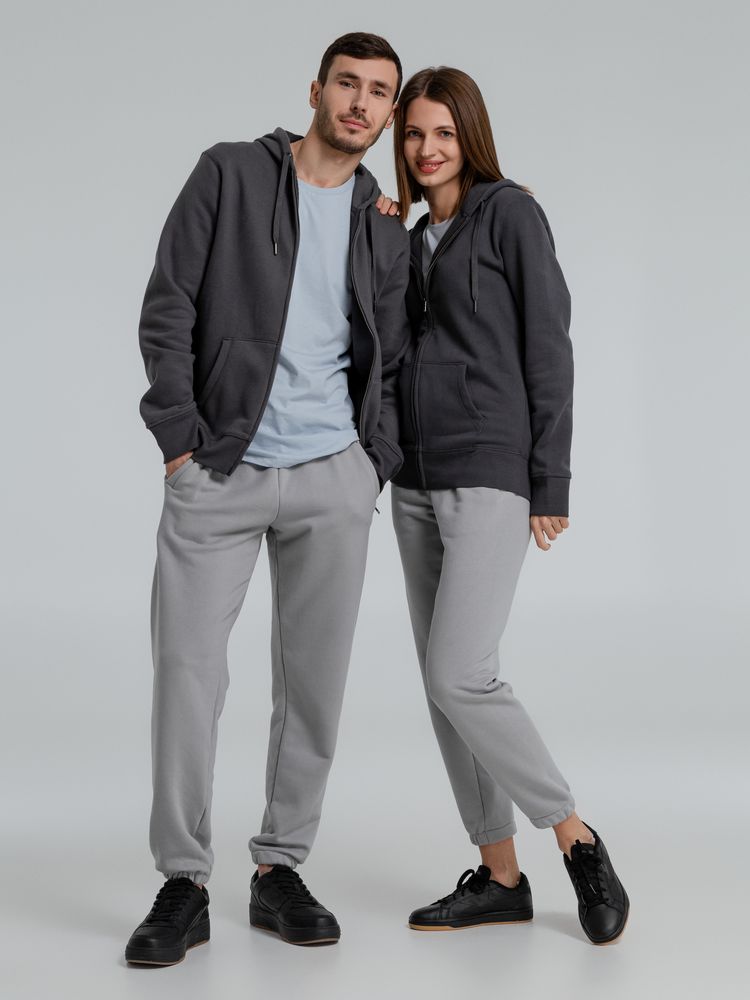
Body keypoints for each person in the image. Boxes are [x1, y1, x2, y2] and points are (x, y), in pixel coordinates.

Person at [125, 32, 410, 963]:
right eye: (348, 84)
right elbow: (169, 303)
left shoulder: (381, 222)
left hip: (334, 477)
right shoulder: (230, 173)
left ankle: (278, 867)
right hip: (220, 466)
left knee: (314, 684)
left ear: (388, 112)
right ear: (316, 90)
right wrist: (179, 438)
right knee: (188, 670)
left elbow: (395, 349)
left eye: (379, 92)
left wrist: (373, 462)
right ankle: (183, 879)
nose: (361, 103)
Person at [374, 66, 629, 945]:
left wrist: (550, 477)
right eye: (414, 134)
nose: (427, 148)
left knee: (461, 673)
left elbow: (548, 346)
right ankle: (499, 875)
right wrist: (379, 239)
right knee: (443, 686)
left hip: (489, 465)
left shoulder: (511, 213)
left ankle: (574, 836)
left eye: (443, 132)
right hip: (413, 477)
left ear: (470, 136)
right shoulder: (408, 238)